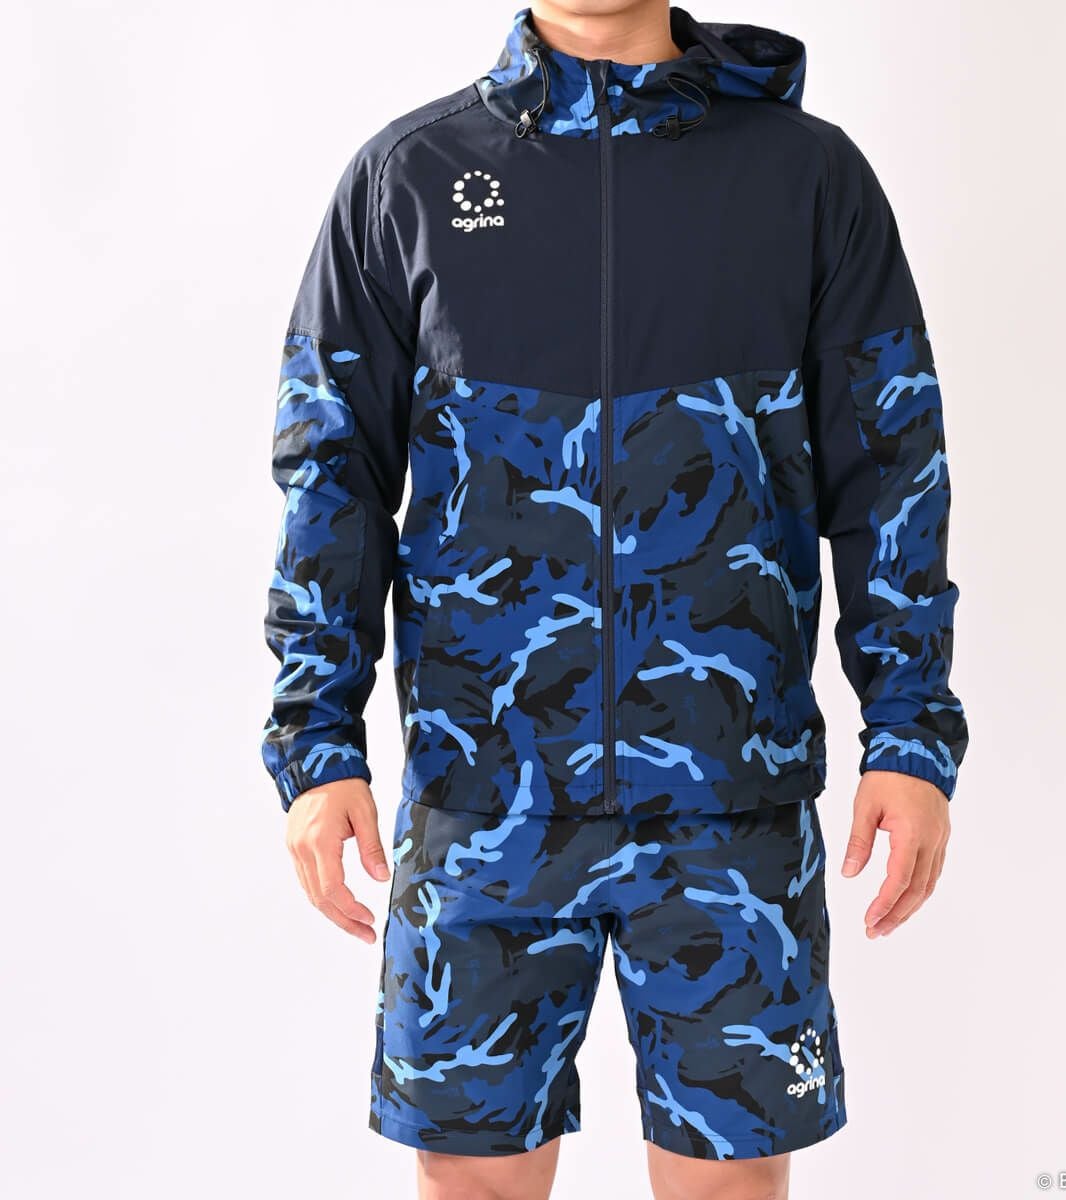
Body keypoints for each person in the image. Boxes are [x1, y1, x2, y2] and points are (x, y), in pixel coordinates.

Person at [260, 1, 968, 1195]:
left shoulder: (807, 179)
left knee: (727, 1182)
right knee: (473, 1179)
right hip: (481, 801)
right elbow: (333, 474)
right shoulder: (408, 179)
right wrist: (315, 741)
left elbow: (892, 465)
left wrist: (910, 734)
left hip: (731, 805)